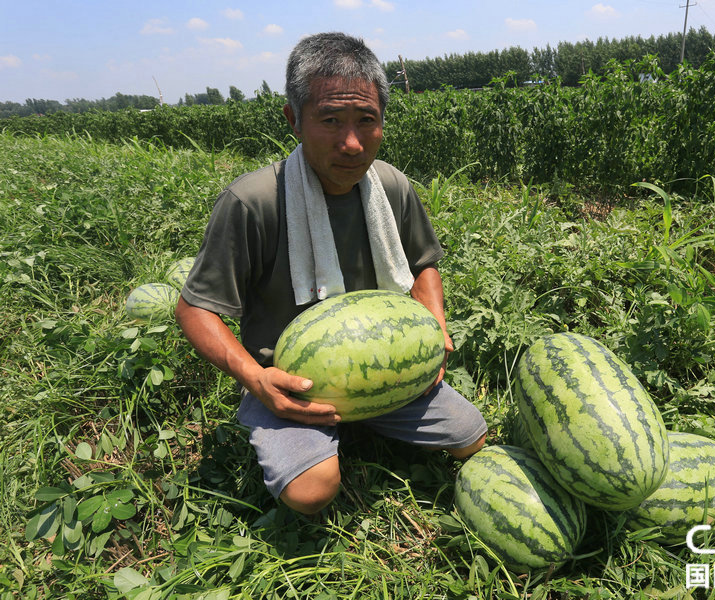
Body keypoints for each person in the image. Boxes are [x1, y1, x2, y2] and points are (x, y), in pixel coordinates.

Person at [175, 32, 487, 515]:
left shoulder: (392, 187)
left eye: (367, 120)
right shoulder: (253, 201)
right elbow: (195, 308)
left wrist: (433, 330)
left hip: (388, 367)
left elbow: (424, 264)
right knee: (311, 493)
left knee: (471, 439)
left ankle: (365, 417)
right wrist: (258, 381)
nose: (352, 143)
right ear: (293, 120)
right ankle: (298, 425)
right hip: (288, 383)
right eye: (330, 121)